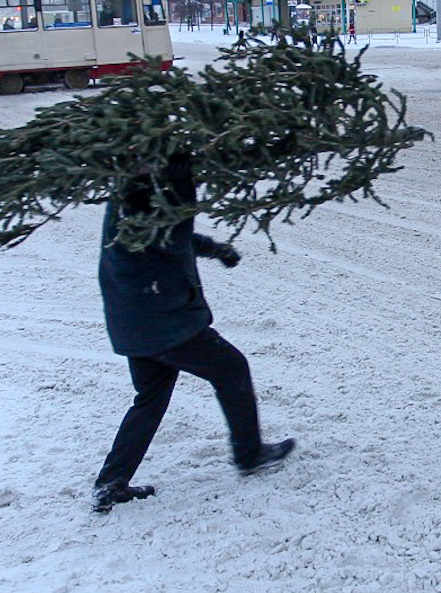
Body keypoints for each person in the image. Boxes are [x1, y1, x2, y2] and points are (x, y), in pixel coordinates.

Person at [93, 153, 294, 511]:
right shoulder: (138, 197)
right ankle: (250, 454)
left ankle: (111, 483)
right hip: (161, 321)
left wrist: (214, 249)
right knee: (232, 368)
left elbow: (171, 231)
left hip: (135, 321)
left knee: (151, 397)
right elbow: (172, 232)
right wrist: (183, 178)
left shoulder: (129, 192)